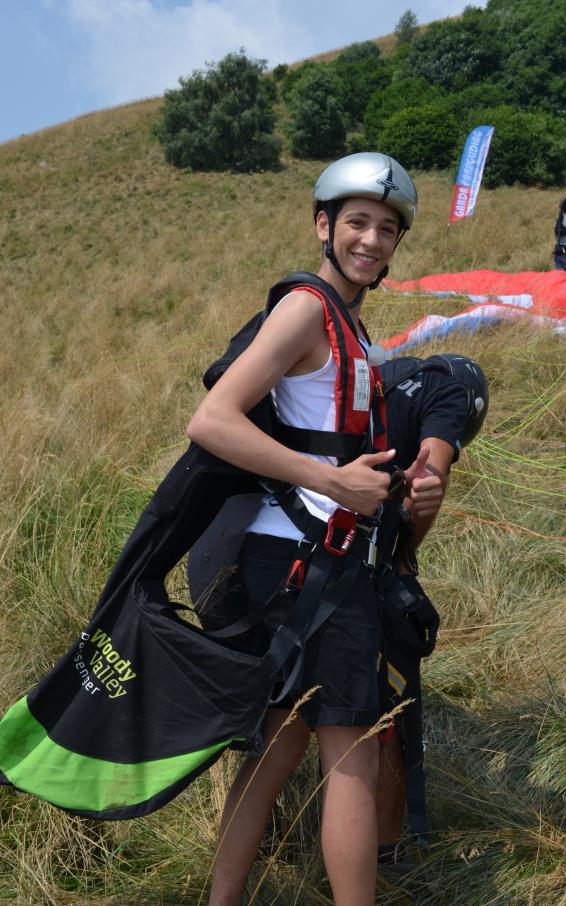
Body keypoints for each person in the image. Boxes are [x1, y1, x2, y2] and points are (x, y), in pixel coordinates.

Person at [186, 152, 440, 906]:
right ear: (323, 225)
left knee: (277, 746)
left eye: (387, 229)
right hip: (316, 564)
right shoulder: (305, 308)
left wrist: (394, 487)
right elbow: (212, 420)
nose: (372, 240)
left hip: (298, 561)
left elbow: (323, 438)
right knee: (351, 753)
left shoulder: (347, 324)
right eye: (358, 222)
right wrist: (333, 483)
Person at [374, 352, 489, 874]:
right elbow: (430, 482)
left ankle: (268, 833)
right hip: (341, 569)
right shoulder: (449, 395)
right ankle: (387, 854)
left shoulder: (382, 379)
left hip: (266, 549)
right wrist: (400, 560)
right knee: (390, 715)